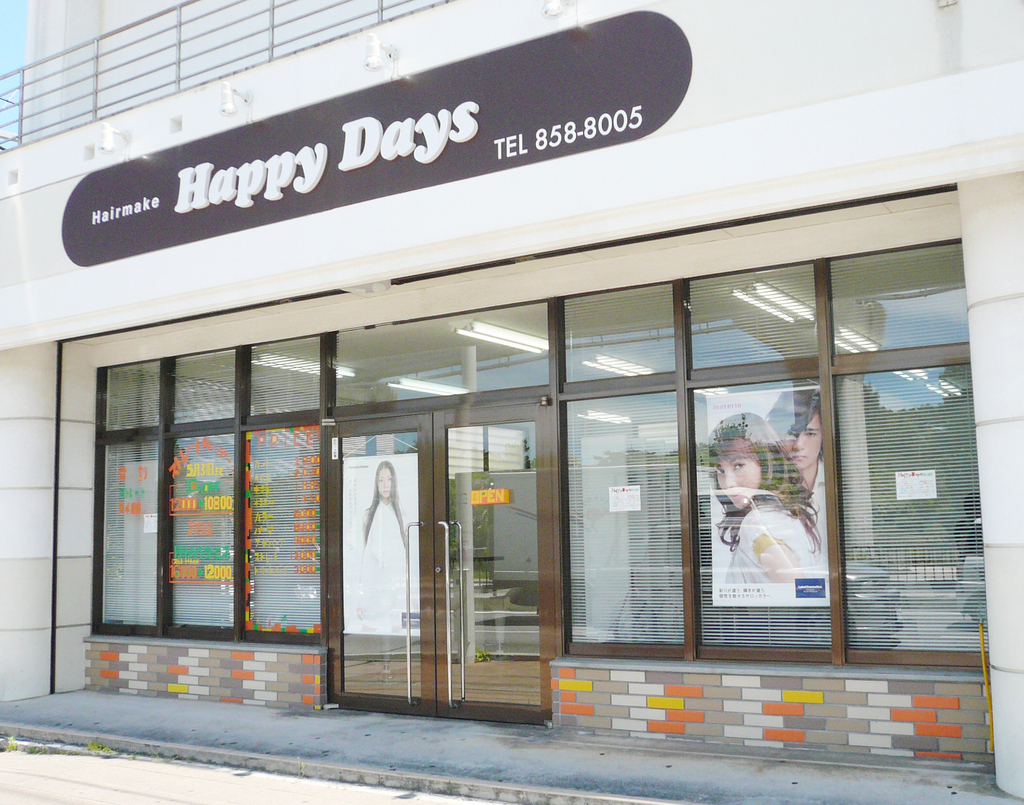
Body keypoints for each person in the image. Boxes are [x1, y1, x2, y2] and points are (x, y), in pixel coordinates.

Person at [710, 413, 824, 584]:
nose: (728, 483)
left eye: (738, 465)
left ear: (765, 463)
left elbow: (797, 590)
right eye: (721, 471)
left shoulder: (757, 522)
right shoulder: (782, 512)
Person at [356, 460, 409, 632]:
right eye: (381, 480)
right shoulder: (368, 515)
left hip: (396, 582)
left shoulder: (402, 514)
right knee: (369, 627)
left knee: (398, 628)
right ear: (376, 483)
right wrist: (361, 594)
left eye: (389, 479)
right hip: (374, 583)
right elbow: (363, 553)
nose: (385, 484)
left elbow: (406, 554)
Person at [769, 390, 826, 524]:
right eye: (791, 433)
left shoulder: (837, 479)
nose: (799, 445)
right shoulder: (768, 482)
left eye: (810, 434)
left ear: (823, 436)